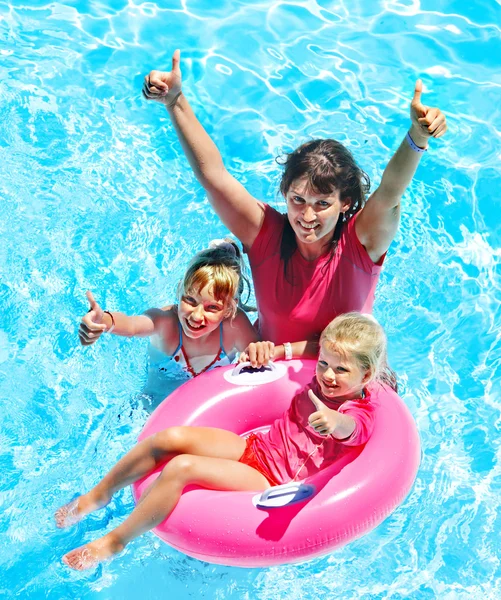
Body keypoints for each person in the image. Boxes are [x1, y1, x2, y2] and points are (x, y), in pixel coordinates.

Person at [142, 50, 447, 359]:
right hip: (269, 369)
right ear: (285, 193)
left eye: (322, 203)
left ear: (346, 203)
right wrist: (175, 102)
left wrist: (417, 136)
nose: (307, 216)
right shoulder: (266, 234)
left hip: (340, 376)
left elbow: (391, 191)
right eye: (297, 200)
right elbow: (214, 177)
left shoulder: (361, 242)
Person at [56, 312, 395, 570]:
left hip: (272, 479)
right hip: (257, 447)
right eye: (324, 363)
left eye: (341, 370)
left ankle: (116, 541)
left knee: (182, 467)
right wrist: (276, 350)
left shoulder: (357, 409)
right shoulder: (319, 377)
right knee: (172, 438)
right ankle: (97, 495)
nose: (328, 375)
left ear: (366, 375)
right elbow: (308, 351)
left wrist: (336, 422)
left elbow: (353, 428)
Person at [79, 239, 259, 404]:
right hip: (155, 404)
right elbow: (132, 325)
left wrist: (259, 353)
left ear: (229, 309)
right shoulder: (165, 323)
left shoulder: (235, 326)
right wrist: (102, 320)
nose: (196, 316)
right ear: (179, 290)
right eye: (190, 300)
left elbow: (261, 358)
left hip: (206, 408)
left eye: (212, 308)